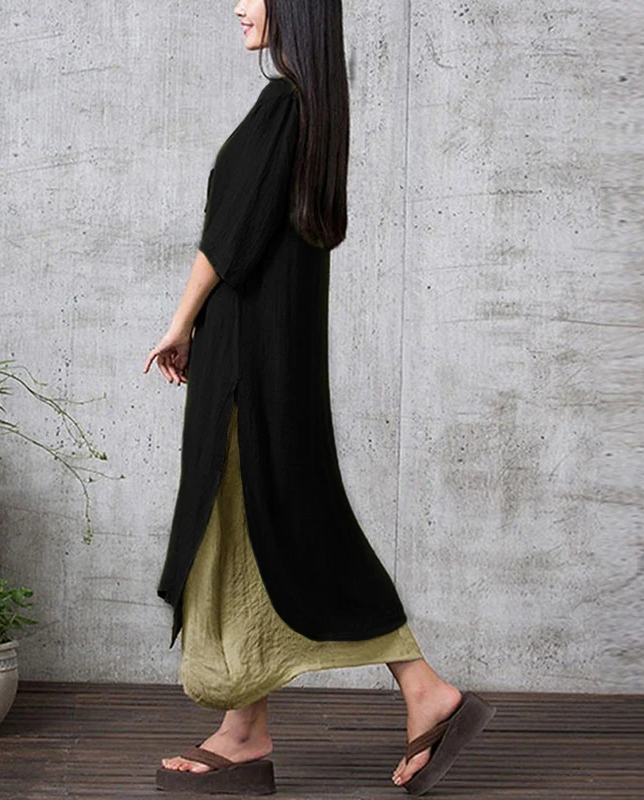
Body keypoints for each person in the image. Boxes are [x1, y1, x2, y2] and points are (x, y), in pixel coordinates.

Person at [143, 1, 496, 795]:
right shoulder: (314, 113)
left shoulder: (284, 106)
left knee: (281, 520)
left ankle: (425, 690)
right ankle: (248, 729)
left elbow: (229, 238)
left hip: (251, 361)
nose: (239, 5)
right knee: (257, 523)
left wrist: (179, 323)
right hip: (272, 355)